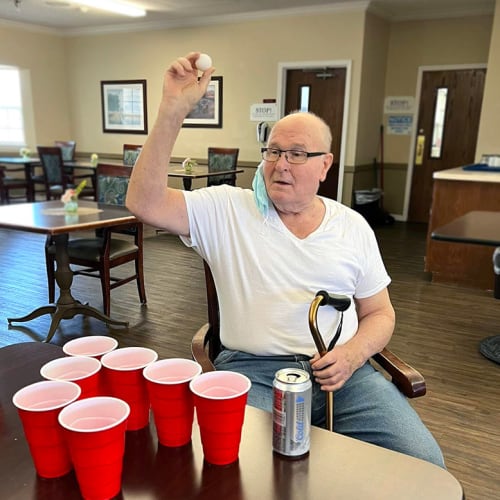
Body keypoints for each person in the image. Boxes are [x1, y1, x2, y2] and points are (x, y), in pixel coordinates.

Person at [126, 52, 445, 468]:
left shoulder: (352, 227)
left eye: (297, 154)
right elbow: (143, 202)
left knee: (423, 467)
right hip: (253, 371)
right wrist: (172, 111)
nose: (280, 164)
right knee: (229, 470)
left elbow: (380, 313)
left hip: (346, 377)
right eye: (273, 151)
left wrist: (352, 355)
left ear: (325, 165)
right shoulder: (226, 209)